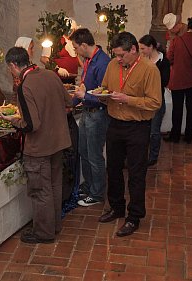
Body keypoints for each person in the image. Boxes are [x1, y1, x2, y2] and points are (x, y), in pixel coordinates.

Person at [2, 47, 72, 243]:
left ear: (13, 65)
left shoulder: (25, 85)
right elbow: (69, 102)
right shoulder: (50, 74)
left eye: (9, 68)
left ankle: (43, 232)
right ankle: (55, 225)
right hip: (58, 142)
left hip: (39, 147)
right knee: (54, 185)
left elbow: (32, 125)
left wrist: (14, 121)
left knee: (41, 190)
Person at [98, 32, 161, 237]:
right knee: (113, 168)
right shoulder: (112, 66)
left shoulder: (150, 70)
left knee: (136, 173)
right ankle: (116, 207)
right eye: (115, 55)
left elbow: (154, 103)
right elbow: (105, 88)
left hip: (138, 127)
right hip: (114, 123)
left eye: (121, 55)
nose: (118, 59)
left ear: (133, 50)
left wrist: (128, 99)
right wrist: (102, 95)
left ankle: (134, 216)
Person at [69, 28, 110, 206]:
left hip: (98, 113)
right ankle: (88, 186)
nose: (75, 51)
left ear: (84, 45)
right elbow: (86, 83)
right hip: (87, 111)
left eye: (76, 47)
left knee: (94, 155)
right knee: (83, 151)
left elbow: (105, 96)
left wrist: (83, 96)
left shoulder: (102, 63)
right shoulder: (89, 60)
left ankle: (97, 193)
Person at [165, 16, 192, 144]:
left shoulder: (177, 41)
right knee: (191, 108)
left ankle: (175, 135)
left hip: (177, 79)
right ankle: (189, 136)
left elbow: (169, 59)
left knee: (177, 109)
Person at [139, 35, 170, 166]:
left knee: (154, 130)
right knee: (143, 129)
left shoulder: (164, 61)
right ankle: (142, 155)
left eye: (143, 48)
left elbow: (165, 81)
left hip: (157, 99)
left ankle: (153, 156)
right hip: (143, 99)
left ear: (151, 47)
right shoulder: (143, 60)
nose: (141, 51)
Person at [40, 18, 81, 84]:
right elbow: (43, 58)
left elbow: (75, 57)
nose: (70, 32)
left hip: (71, 80)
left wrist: (85, 68)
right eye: (68, 29)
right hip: (56, 80)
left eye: (72, 30)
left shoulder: (72, 41)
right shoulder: (54, 40)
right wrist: (57, 69)